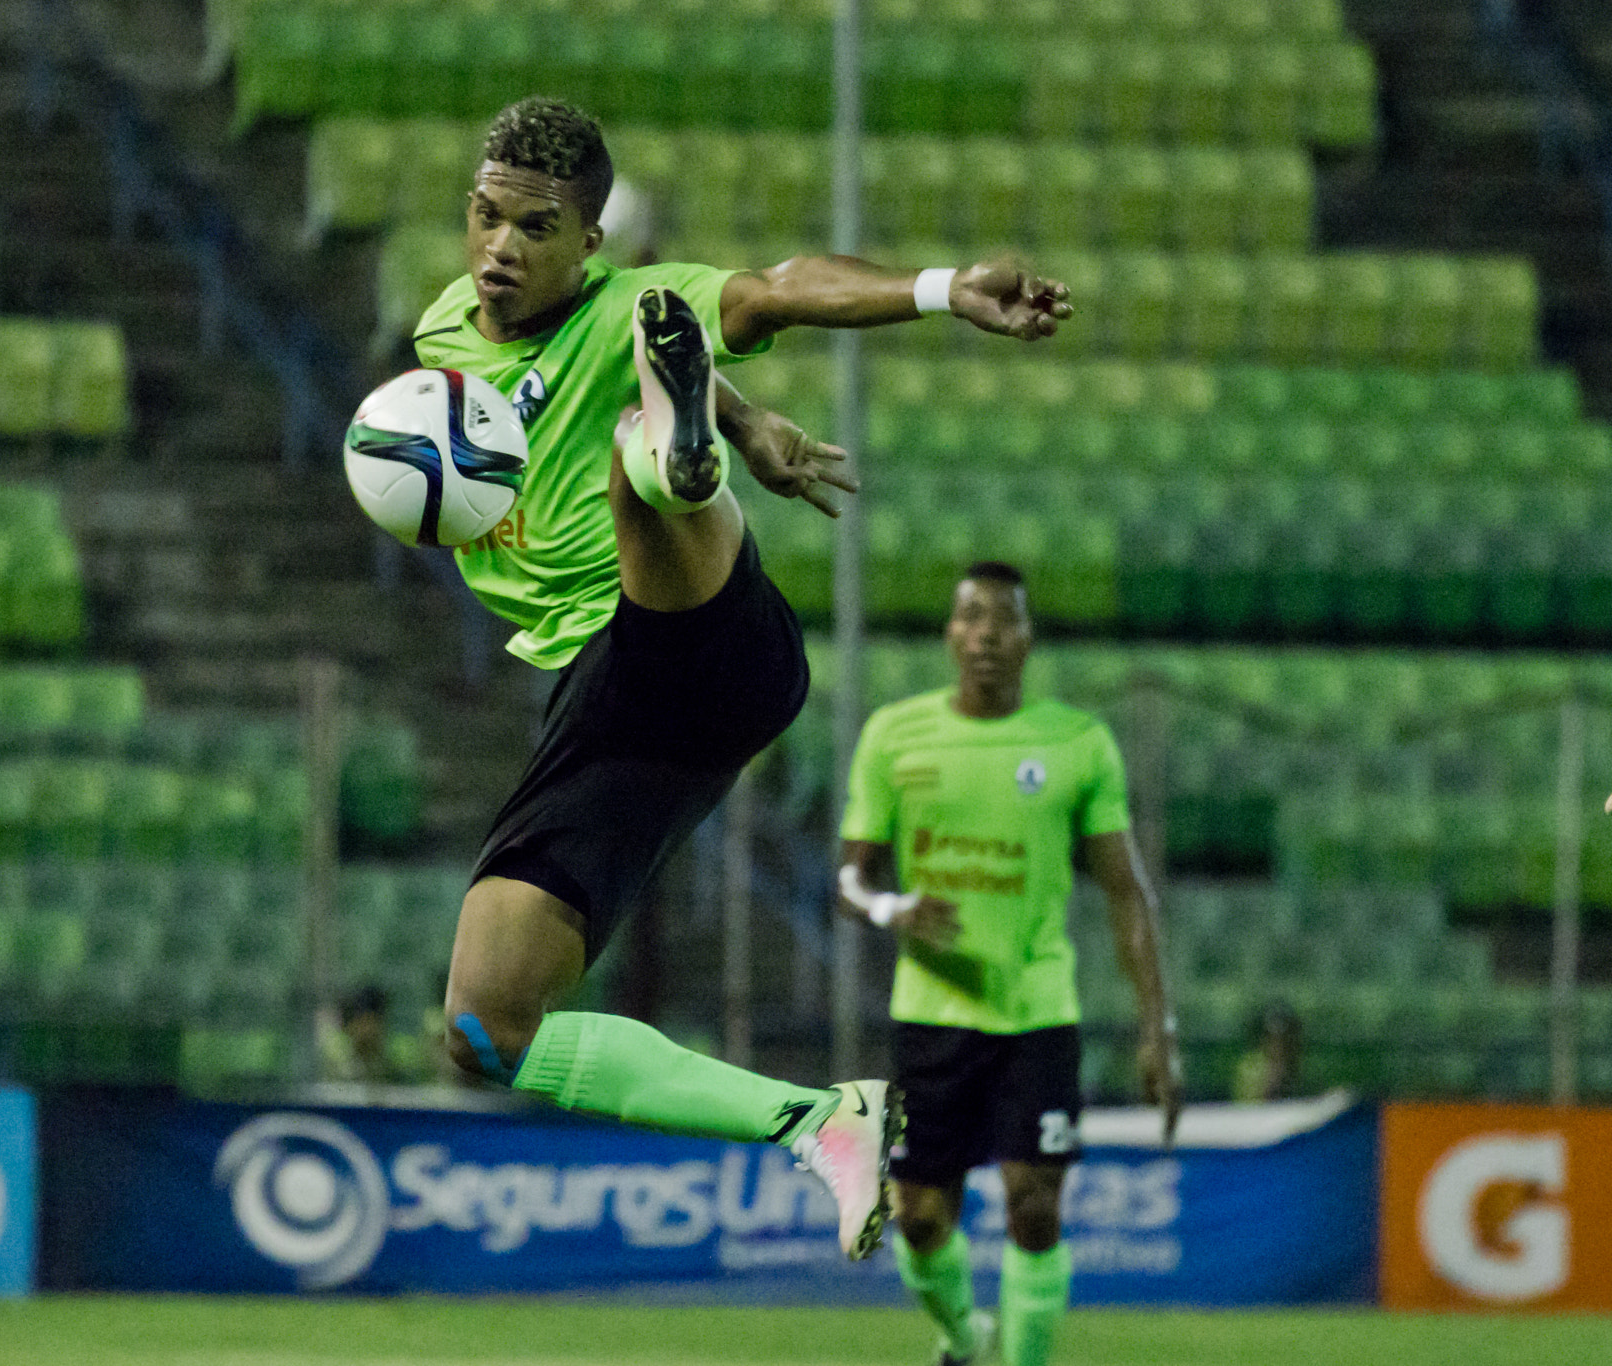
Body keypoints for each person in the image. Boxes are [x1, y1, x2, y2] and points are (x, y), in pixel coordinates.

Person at [414, 97, 1073, 1261]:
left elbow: (778, 285)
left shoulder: (634, 300)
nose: (498, 248)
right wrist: (745, 411)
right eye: (482, 216)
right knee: (482, 1021)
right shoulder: (443, 337)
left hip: (696, 625)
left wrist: (939, 287)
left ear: (589, 243)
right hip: (616, 708)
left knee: (639, 464)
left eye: (531, 226)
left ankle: (669, 461)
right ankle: (820, 1121)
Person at [836, 563, 1180, 1365]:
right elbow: (850, 880)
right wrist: (894, 910)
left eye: (1005, 620)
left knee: (1033, 1206)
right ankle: (965, 1336)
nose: (987, 632)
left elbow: (1129, 896)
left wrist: (1157, 1030)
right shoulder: (895, 735)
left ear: (1027, 639)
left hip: (1037, 1011)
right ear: (951, 635)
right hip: (932, 1012)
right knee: (918, 1216)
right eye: (971, 616)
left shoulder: (1078, 744)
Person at [1231, 999, 1301, 1103]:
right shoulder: (1250, 1067)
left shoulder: (1296, 1065)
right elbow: (1245, 1105)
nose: (1278, 1044)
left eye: (1284, 1038)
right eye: (1273, 1038)